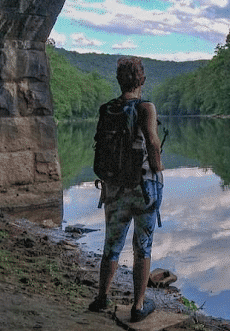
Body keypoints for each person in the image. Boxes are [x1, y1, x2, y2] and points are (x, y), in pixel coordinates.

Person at [88, 56, 164, 323]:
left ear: (119, 80)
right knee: (142, 245)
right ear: (142, 80)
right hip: (144, 186)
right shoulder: (146, 107)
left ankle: (101, 297)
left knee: (112, 243)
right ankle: (138, 305)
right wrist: (158, 168)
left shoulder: (107, 109)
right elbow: (153, 143)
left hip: (114, 187)